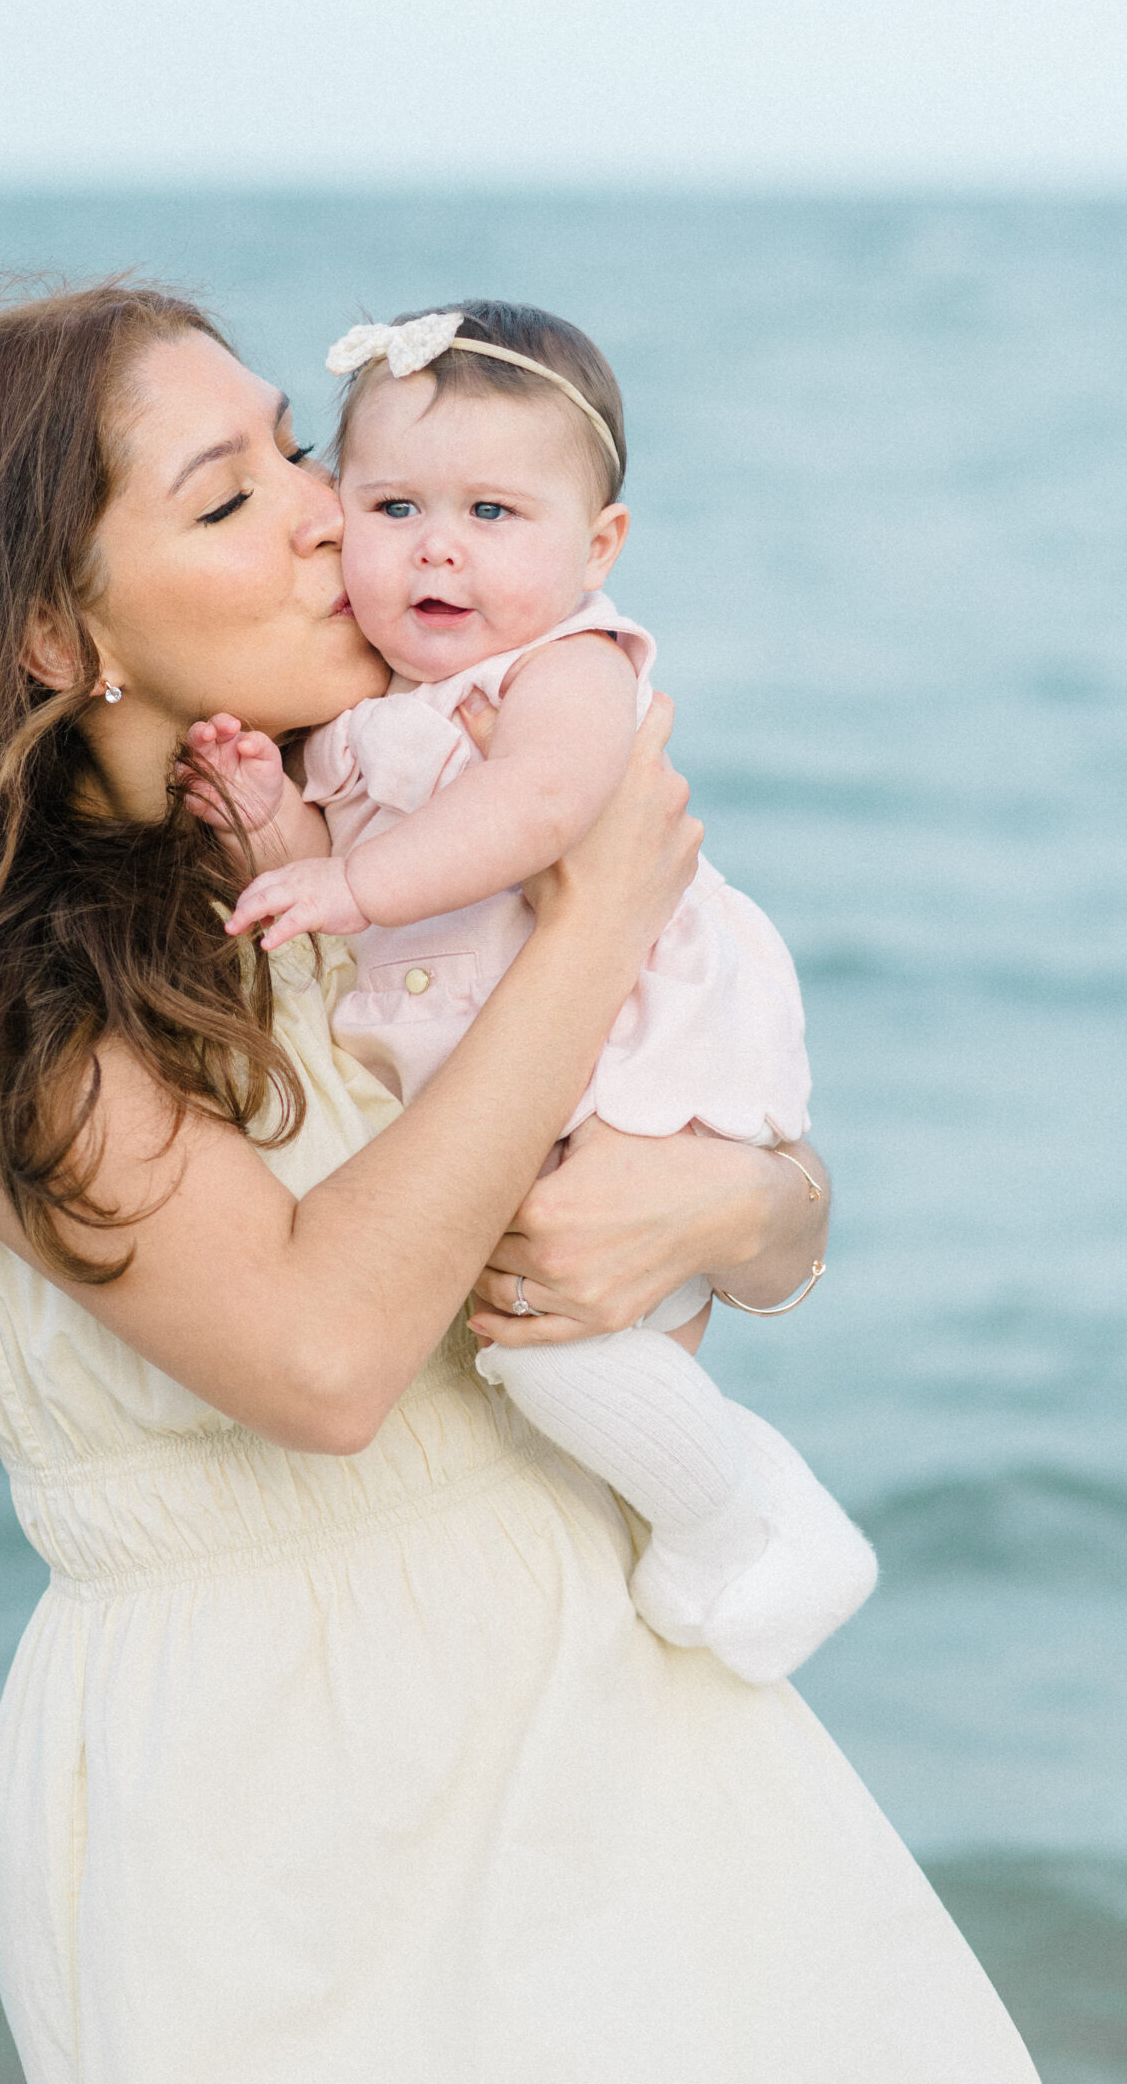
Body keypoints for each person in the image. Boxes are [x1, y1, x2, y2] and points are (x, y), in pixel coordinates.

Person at [0, 282, 1038, 2082]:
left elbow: (721, 1183)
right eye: (226, 495)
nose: (330, 511)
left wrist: (743, 1216)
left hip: (612, 1691)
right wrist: (597, 919)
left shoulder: (368, 836)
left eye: (292, 444)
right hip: (284, 1776)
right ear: (51, 632)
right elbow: (323, 1361)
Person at [190, 300, 876, 1687]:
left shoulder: (562, 670)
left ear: (596, 548)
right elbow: (324, 874)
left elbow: (543, 808)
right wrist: (270, 824)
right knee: (556, 1336)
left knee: (558, 1351)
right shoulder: (366, 710)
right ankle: (702, 1506)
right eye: (393, 504)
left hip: (627, 1057)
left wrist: (351, 891)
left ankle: (739, 1521)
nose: (438, 545)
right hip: (511, 1073)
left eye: (495, 510)